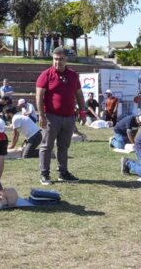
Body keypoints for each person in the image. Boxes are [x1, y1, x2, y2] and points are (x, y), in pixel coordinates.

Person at [36, 47, 87, 185]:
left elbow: (79, 95)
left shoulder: (73, 75)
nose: (57, 62)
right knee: (47, 146)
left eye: (61, 59)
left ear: (66, 59)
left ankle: (63, 173)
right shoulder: (46, 75)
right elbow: (39, 96)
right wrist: (41, 115)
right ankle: (44, 174)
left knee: (64, 146)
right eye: (55, 59)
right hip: (51, 117)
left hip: (69, 118)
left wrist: (82, 112)